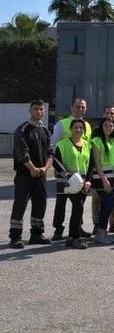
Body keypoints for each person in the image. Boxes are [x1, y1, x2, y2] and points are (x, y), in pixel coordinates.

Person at [8, 100, 53, 249]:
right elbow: (22, 153)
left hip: (41, 175)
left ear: (44, 111)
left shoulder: (45, 131)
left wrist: (45, 168)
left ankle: (36, 234)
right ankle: (15, 237)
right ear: (30, 111)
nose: (38, 112)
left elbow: (50, 153)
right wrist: (32, 169)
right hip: (24, 176)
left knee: (40, 203)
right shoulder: (22, 129)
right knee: (20, 204)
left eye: (41, 109)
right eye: (35, 109)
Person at [53, 119, 93, 249]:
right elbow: (55, 160)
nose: (78, 130)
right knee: (78, 206)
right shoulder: (62, 144)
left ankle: (71, 237)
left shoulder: (88, 145)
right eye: (75, 127)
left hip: (83, 183)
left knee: (78, 209)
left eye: (81, 128)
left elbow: (91, 165)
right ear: (71, 129)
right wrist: (65, 173)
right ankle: (76, 238)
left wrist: (88, 180)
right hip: (67, 182)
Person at [89, 117, 114, 244]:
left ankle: (102, 232)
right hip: (101, 179)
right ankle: (100, 232)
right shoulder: (96, 141)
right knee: (109, 203)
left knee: (108, 204)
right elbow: (96, 163)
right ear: (101, 127)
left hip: (113, 179)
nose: (108, 128)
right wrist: (104, 179)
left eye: (111, 126)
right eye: (106, 125)